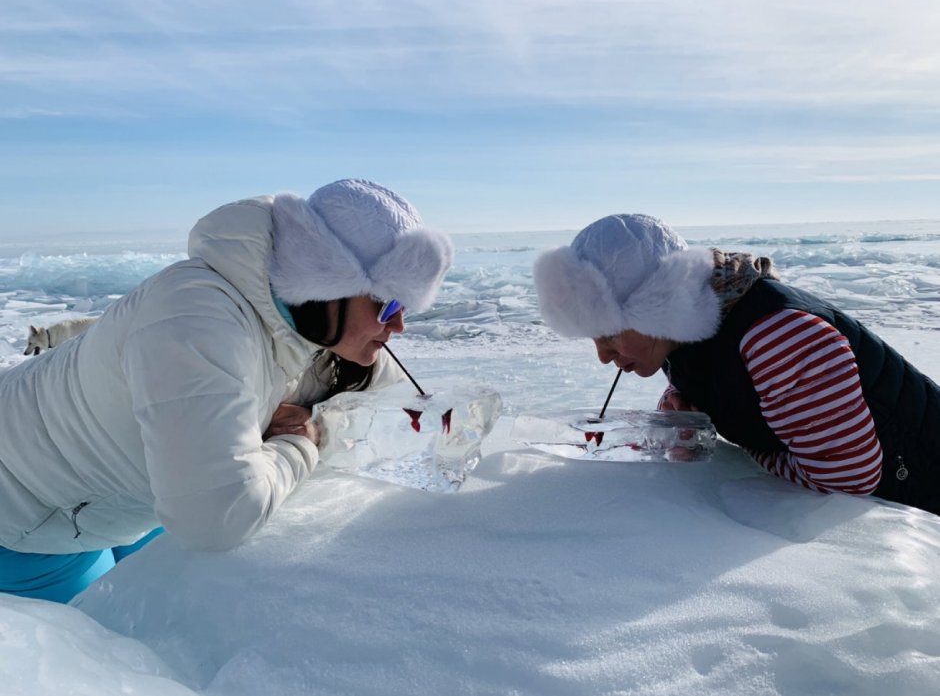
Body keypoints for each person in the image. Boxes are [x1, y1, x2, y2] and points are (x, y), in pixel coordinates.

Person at [0, 178, 454, 603]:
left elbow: (402, 401)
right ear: (324, 285)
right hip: (26, 519)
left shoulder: (310, 328)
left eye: (407, 305)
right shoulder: (197, 318)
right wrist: (301, 442)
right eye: (389, 303)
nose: (399, 324)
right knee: (118, 656)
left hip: (124, 503)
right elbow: (215, 518)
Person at [533, 213, 940, 515]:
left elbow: (846, 477)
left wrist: (743, 446)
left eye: (610, 333)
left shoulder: (779, 338)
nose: (603, 355)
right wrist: (686, 405)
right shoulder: (691, 329)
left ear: (657, 307)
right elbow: (728, 374)